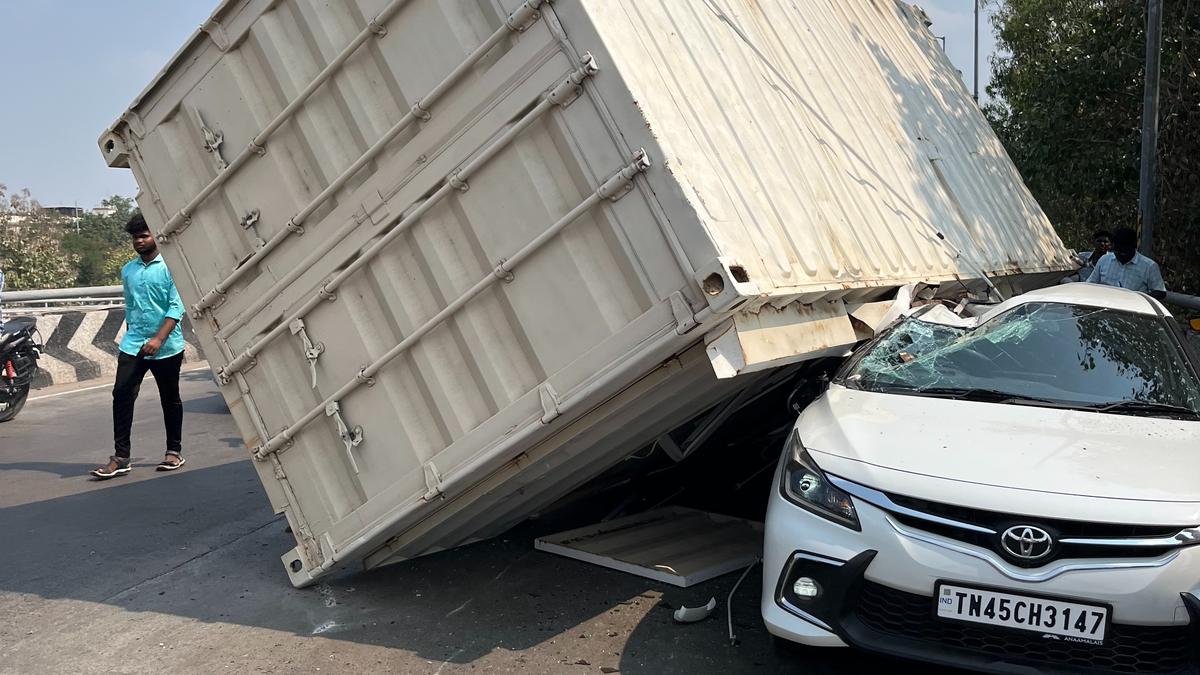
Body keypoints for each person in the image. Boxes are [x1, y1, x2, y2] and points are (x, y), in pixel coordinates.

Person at [91, 215, 187, 479]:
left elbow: (177, 306)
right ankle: (121, 457)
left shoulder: (170, 267)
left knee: (170, 398)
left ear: (155, 235)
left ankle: (173, 451)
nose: (139, 241)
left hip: (166, 345)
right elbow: (131, 306)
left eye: (144, 235)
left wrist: (159, 339)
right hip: (134, 344)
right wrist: (136, 336)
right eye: (135, 237)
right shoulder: (128, 270)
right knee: (121, 395)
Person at [1087, 227, 1167, 301]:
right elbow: (1090, 284)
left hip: (1132, 310)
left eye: (1125, 252)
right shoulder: (1104, 260)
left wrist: (1139, 299)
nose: (1121, 255)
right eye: (1118, 252)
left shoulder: (1149, 266)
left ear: (1134, 247)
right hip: (1105, 307)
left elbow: (1160, 292)